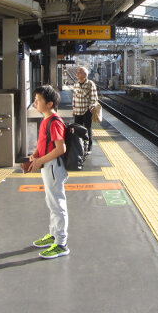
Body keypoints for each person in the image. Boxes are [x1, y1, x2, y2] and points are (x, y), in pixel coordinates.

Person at [28, 85, 70, 259]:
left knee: (57, 203)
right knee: (51, 201)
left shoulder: (54, 122)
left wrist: (40, 161)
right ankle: (54, 234)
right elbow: (46, 144)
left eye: (38, 100)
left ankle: (61, 243)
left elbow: (61, 148)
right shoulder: (46, 119)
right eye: (35, 99)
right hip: (48, 165)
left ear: (50, 103)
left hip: (53, 166)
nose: (35, 102)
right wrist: (36, 155)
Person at [72, 66, 98, 153]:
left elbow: (94, 97)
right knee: (77, 129)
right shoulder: (76, 84)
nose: (77, 73)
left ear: (85, 74)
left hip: (86, 110)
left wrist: (92, 106)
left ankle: (89, 147)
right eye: (78, 71)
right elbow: (74, 98)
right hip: (78, 110)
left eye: (80, 72)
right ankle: (80, 145)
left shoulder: (90, 84)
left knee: (87, 128)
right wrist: (73, 109)